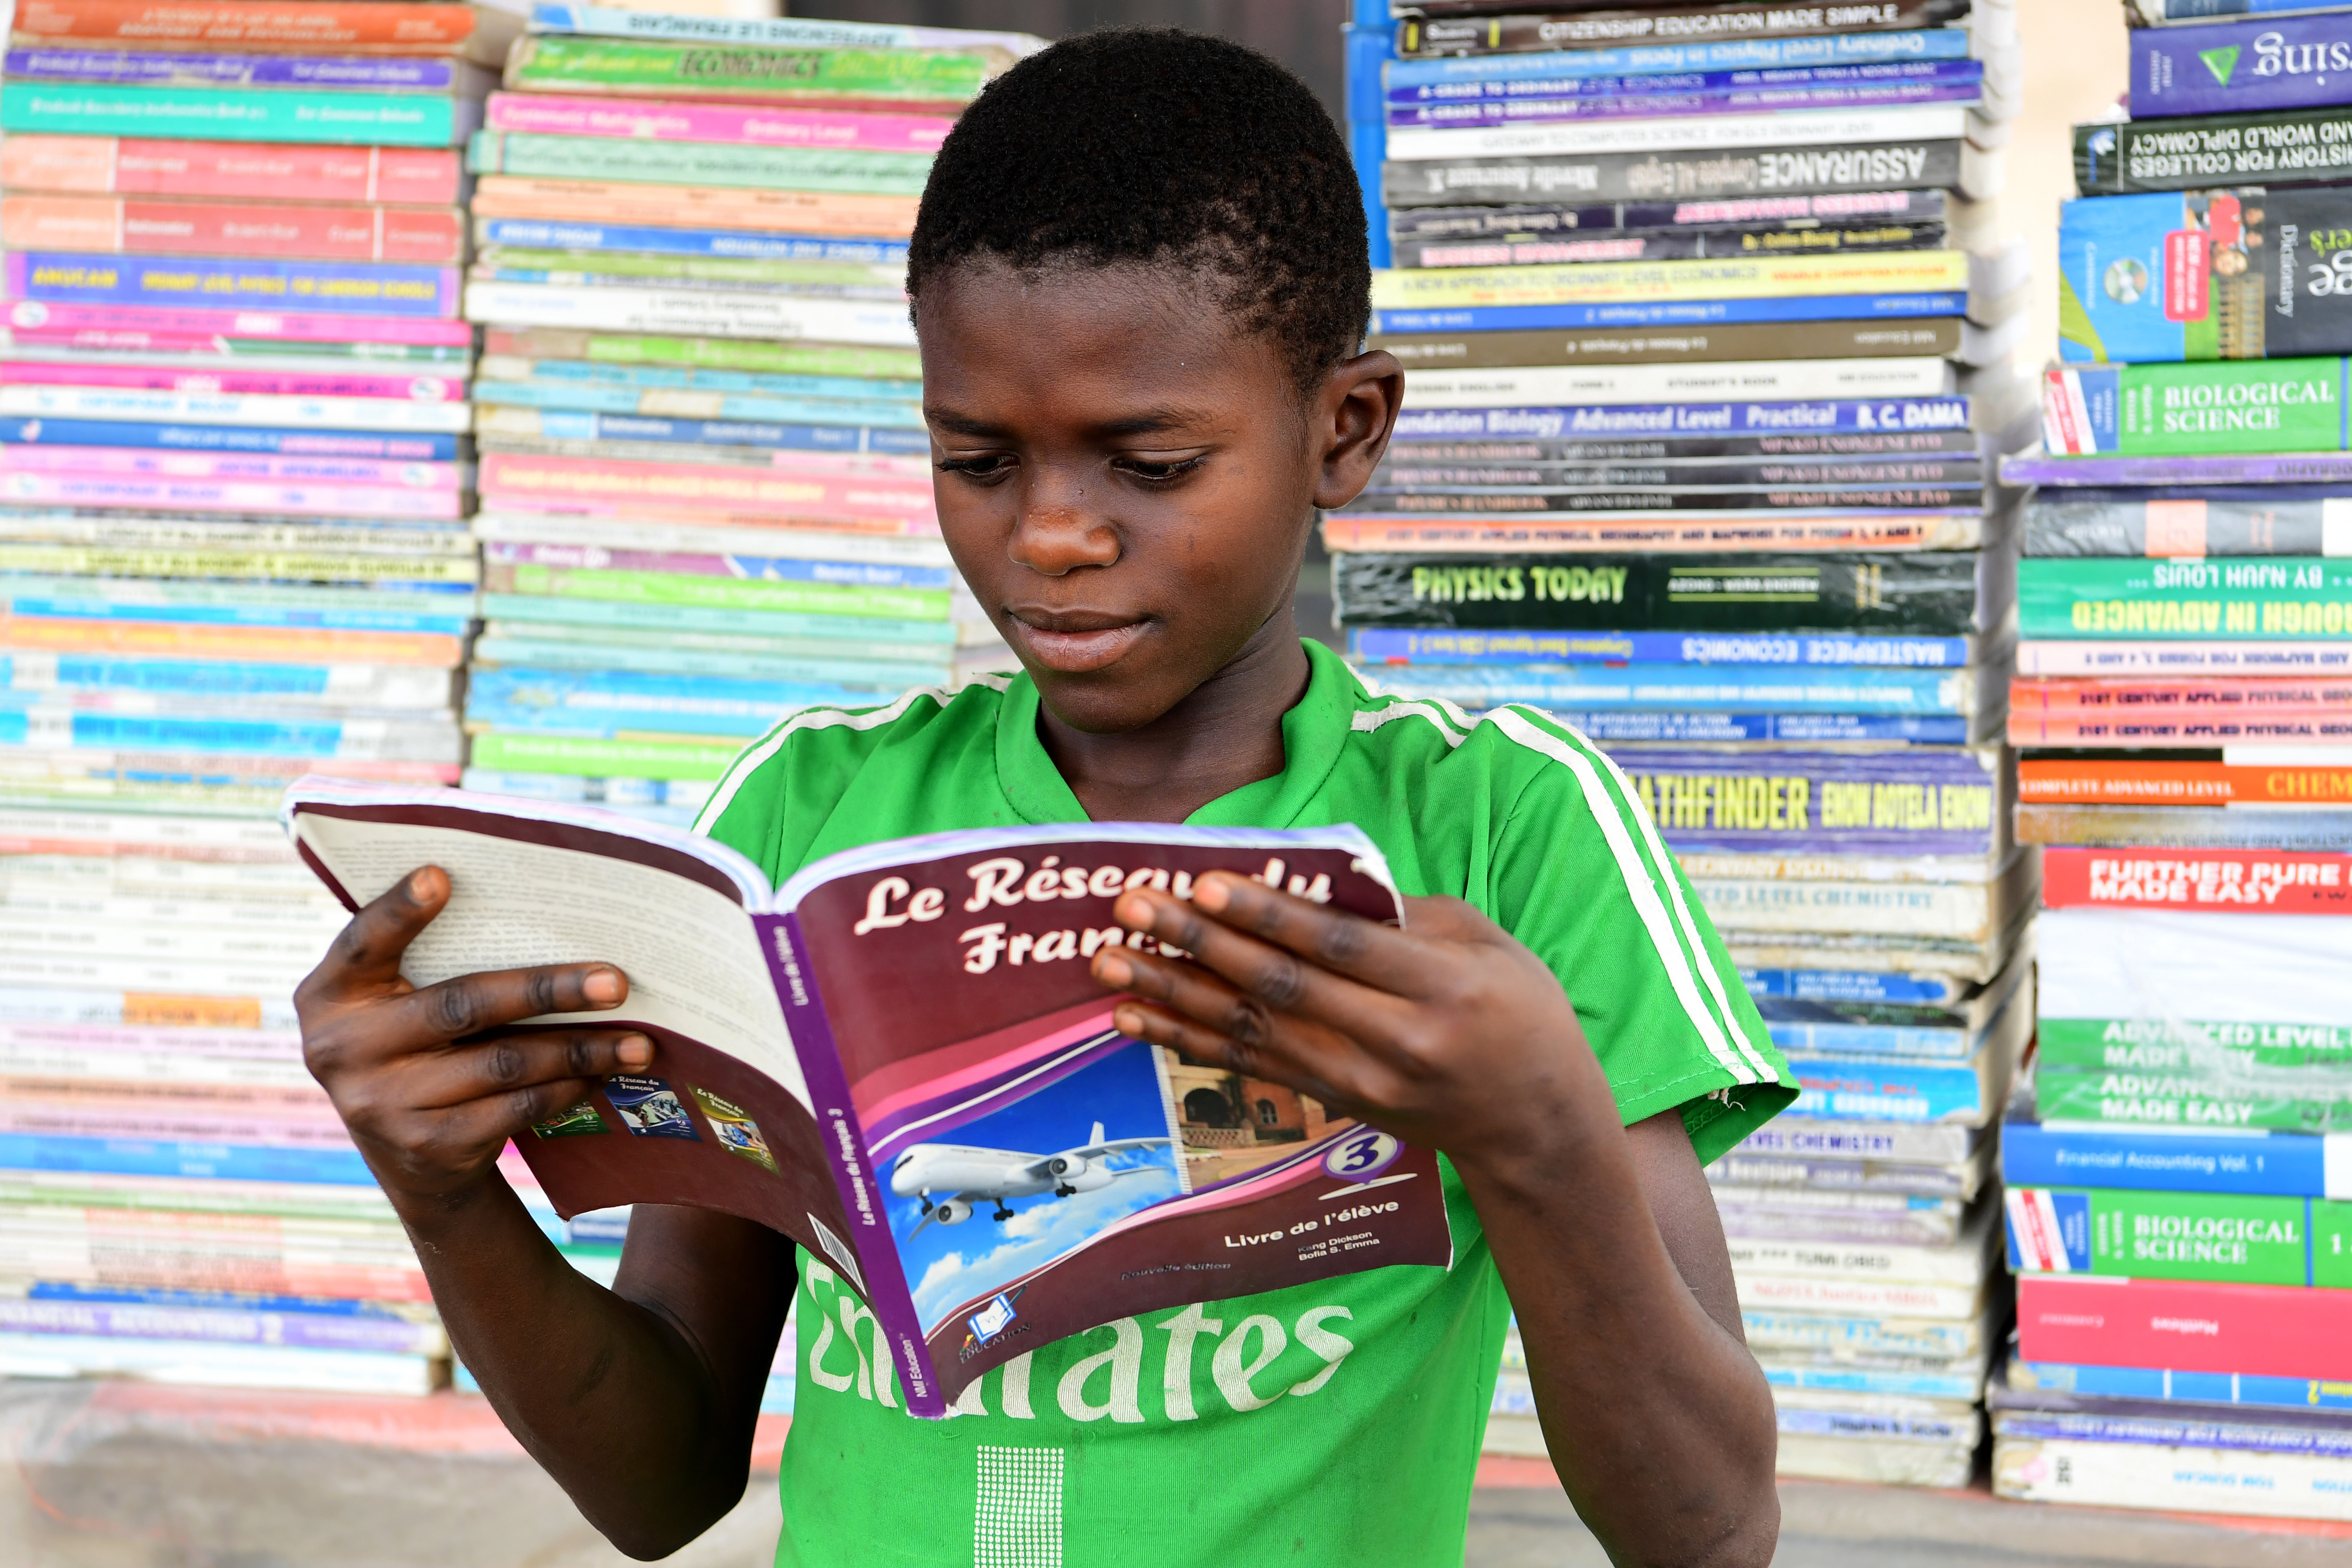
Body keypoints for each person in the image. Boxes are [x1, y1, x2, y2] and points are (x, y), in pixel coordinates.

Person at [295, 28, 1795, 1568]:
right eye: (979, 458)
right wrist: (449, 1196)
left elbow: (1711, 1531)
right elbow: (662, 1483)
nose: (1056, 536)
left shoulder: (1504, 826)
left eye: (1148, 463)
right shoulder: (810, 809)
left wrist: (1541, 1131)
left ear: (1343, 430)